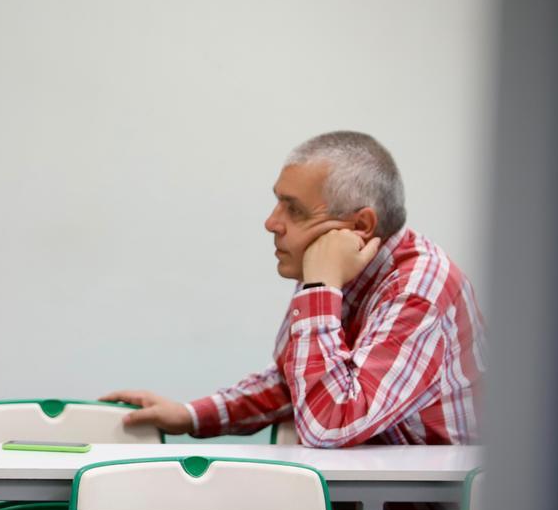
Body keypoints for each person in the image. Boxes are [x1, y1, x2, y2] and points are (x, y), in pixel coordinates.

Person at [104, 131, 485, 447]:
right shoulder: (332, 268)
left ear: (361, 226)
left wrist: (319, 286)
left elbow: (330, 424)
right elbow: (294, 384)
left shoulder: (419, 289)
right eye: (277, 203)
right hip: (369, 499)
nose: (271, 223)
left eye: (294, 210)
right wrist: (190, 415)